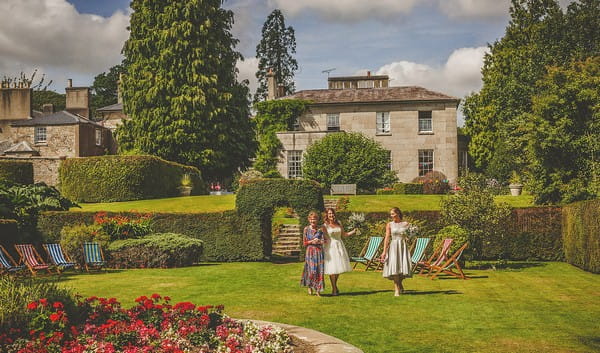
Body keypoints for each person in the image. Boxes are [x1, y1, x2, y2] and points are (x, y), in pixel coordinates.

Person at [323, 208, 356, 296]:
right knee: (332, 268)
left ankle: (335, 286)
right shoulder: (325, 225)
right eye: (329, 213)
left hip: (339, 246)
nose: (331, 215)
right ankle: (334, 289)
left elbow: (344, 235)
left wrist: (353, 231)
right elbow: (324, 238)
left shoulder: (339, 223)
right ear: (327, 215)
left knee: (338, 268)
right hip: (330, 247)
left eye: (332, 213)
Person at [380, 207, 412, 296]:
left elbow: (409, 237)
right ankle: (396, 289)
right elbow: (387, 238)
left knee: (402, 267)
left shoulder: (406, 224)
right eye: (391, 214)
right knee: (394, 267)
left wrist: (411, 236)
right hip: (393, 247)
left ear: (398, 213)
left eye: (393, 214)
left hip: (402, 247)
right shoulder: (389, 224)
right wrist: (384, 251)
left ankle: (400, 284)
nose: (391, 216)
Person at [301, 211, 327, 296]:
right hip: (310, 252)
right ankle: (310, 286)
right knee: (311, 271)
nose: (313, 221)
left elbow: (325, 240)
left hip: (319, 252)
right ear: (309, 220)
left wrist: (319, 241)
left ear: (317, 220)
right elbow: (304, 243)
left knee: (319, 271)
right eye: (311, 219)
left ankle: (318, 290)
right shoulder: (306, 229)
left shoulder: (321, 229)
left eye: (315, 219)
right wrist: (312, 241)